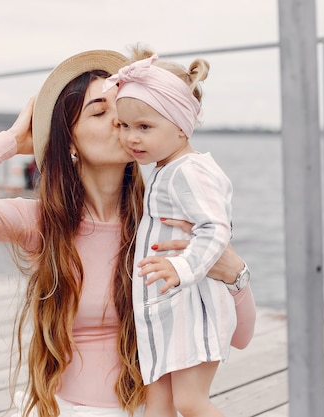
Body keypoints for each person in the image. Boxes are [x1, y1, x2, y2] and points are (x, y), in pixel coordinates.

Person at [0, 49, 256, 417]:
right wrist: (14, 140)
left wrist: (234, 273)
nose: (120, 122)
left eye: (127, 111)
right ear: (69, 140)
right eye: (100, 112)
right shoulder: (43, 222)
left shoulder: (166, 223)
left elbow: (239, 337)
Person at [105, 49, 236, 417]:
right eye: (124, 126)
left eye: (144, 127)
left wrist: (181, 268)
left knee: (190, 402)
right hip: (166, 309)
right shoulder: (167, 168)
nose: (132, 137)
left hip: (192, 308)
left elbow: (215, 228)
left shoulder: (187, 171)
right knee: (157, 404)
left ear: (181, 126)